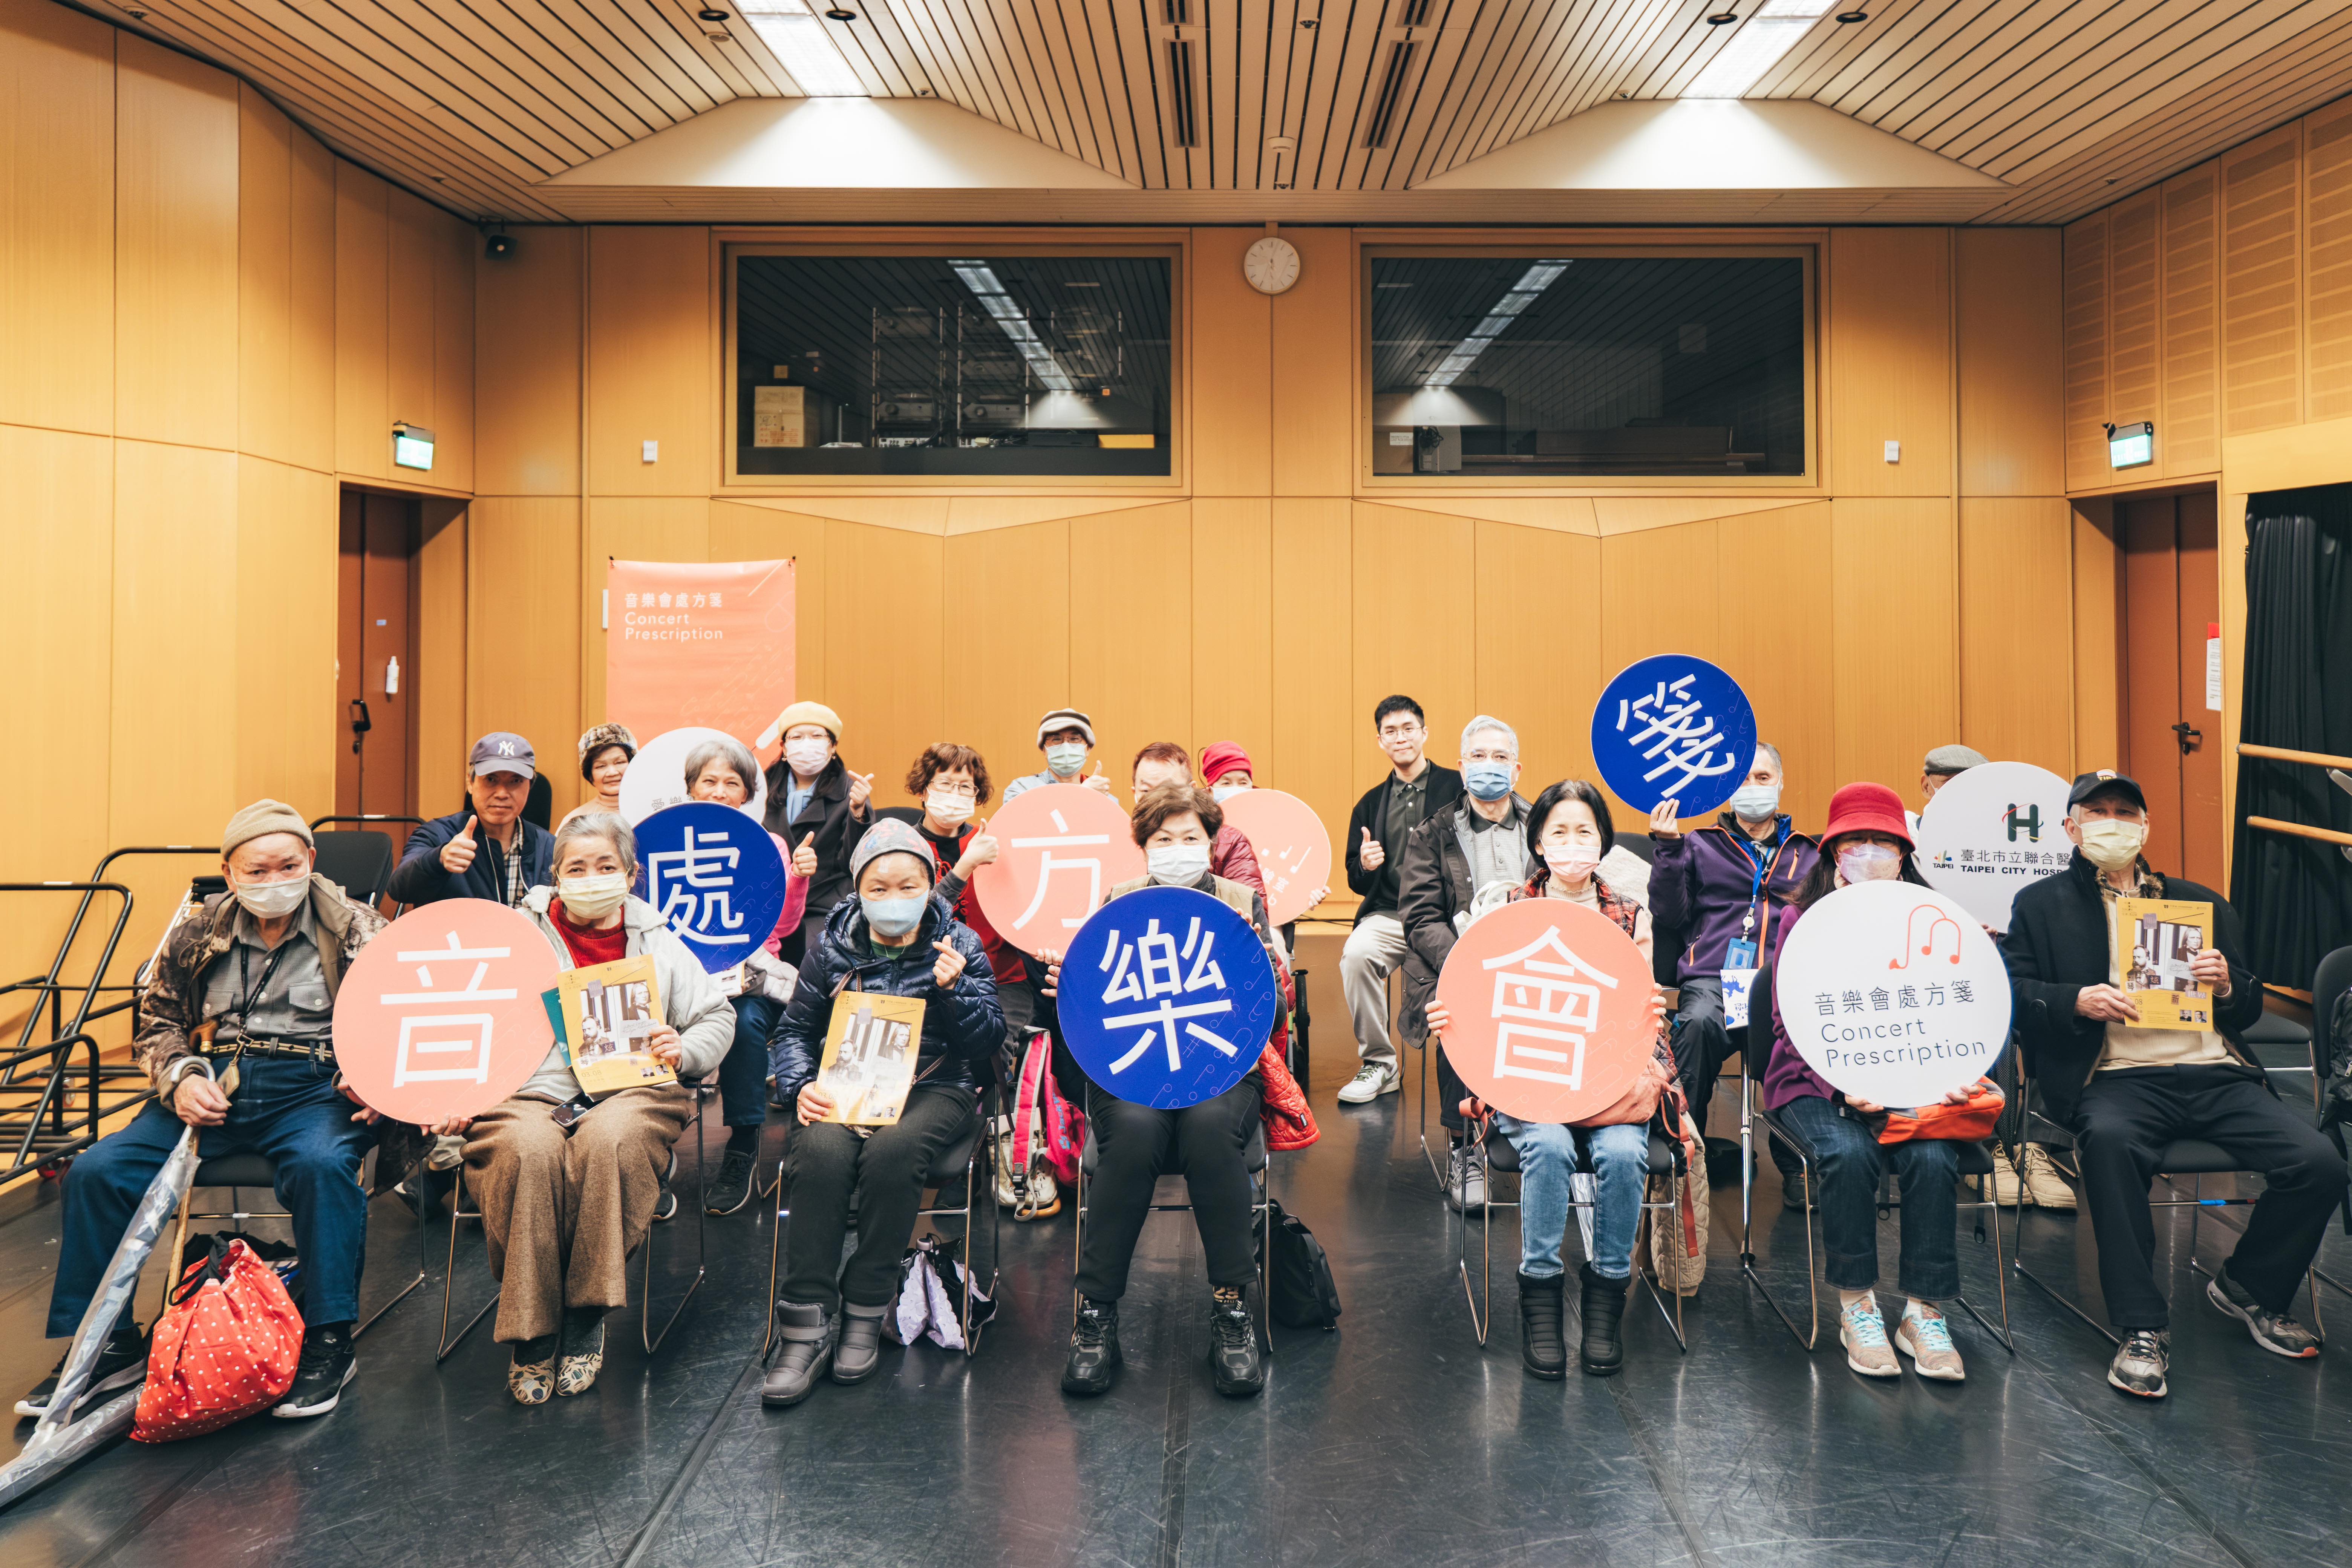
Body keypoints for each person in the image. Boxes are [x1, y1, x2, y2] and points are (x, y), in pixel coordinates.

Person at [18, 803, 389, 1423]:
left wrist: (375, 1073)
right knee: (98, 1172)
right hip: (213, 1077)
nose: (275, 881)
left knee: (323, 1166)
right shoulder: (200, 930)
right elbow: (157, 1020)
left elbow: (402, 1018)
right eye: (258, 870)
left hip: (315, 1082)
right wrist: (179, 1074)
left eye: (289, 866)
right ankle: (106, 1342)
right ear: (229, 870)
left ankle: (330, 1340)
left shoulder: (360, 927)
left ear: (311, 862)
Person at [2004, 769, 2346, 1399]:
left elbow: (2244, 1006)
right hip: (2115, 1078)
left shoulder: (2200, 902)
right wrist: (2076, 1000)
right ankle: (2141, 1326)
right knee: (2109, 1146)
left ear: (2145, 825)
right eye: (2097, 811)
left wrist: (2227, 985)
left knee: (2320, 1161)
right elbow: (2015, 997)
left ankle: (2250, 1286)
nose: (2112, 823)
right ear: (2071, 828)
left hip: (2215, 1074)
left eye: (2125, 812)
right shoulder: (2041, 904)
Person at [450, 813, 733, 1406]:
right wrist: (455, 1089)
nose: (592, 878)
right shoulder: (515, 937)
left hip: (634, 1090)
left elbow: (717, 1016)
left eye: (607, 867)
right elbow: (465, 1016)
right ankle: (532, 1328)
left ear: (631, 875)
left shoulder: (657, 939)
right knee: (526, 1151)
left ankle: (586, 1313)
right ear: (554, 876)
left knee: (609, 1142)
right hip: (531, 1090)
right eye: (576, 868)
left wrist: (686, 1049)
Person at [1041, 783, 1289, 1401]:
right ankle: (1096, 1315)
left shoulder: (1241, 902)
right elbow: (1096, 1018)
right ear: (1144, 848)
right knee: (1133, 1130)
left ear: (1212, 844)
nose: (1177, 850)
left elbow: (1275, 1012)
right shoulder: (1118, 905)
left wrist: (1263, 968)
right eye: (1163, 840)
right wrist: (1064, 990)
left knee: (1208, 1129)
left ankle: (1232, 1308)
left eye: (1190, 839)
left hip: (1221, 1070)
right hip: (1134, 1072)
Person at [1426, 779, 1677, 1378]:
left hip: (1611, 1086)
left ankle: (1606, 1296)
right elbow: (1479, 1000)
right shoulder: (1507, 911)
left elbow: (1640, 1015)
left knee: (1621, 1152)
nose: (1571, 843)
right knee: (1547, 1144)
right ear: (1538, 841)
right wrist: (1451, 1015)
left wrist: (1652, 1016)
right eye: (1558, 831)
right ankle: (1539, 1291)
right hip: (1532, 1080)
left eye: (1584, 831)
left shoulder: (1628, 915)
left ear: (1604, 841)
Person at [761, 819, 1004, 1408]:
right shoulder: (831, 947)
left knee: (895, 1152)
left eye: (908, 886)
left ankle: (867, 1304)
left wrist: (957, 992)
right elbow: (793, 1032)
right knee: (818, 1152)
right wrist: (799, 1086)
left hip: (936, 1085)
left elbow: (991, 1043)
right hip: (848, 1082)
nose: (894, 900)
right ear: (858, 890)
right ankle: (806, 1321)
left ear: (931, 884)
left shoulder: (961, 944)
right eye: (879, 888)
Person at [1758, 783, 1974, 1382]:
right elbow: (1786, 1020)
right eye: (1856, 841)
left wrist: (1948, 1070)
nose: (1871, 851)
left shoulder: (1931, 919)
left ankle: (1923, 1312)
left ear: (1904, 853)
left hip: (1911, 1080)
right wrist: (1842, 1086)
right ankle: (1857, 1304)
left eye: (1884, 841)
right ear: (1833, 853)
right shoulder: (1803, 918)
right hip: (1813, 1082)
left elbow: (1958, 1012)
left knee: (1932, 1155)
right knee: (1848, 1152)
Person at [1648, 741, 1818, 1159]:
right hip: (1713, 982)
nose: (1754, 787)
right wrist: (1668, 848)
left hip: (1786, 980)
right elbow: (1669, 914)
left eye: (1763, 778)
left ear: (1781, 783)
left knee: (1810, 1031)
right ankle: (1685, 1150)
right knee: (1697, 1024)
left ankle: (1798, 1164)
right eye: (1743, 779)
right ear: (1725, 786)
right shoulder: (1699, 844)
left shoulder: (1810, 852)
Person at [1398, 716, 1534, 1211]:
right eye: (1478, 757)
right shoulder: (1432, 833)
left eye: (1500, 758)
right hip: (1457, 961)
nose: (1489, 767)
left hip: (1533, 961)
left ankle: (1545, 1133)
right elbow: (1419, 917)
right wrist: (1471, 960)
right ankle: (1465, 1148)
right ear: (1461, 767)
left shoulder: (1544, 825)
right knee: (1459, 1010)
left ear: (1516, 770)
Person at [681, 735, 809, 1217]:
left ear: (747, 793)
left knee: (744, 1022)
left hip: (747, 974)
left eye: (730, 782)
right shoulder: (664, 838)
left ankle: (744, 1143)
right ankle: (646, 1155)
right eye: (708, 781)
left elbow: (785, 926)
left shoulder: (768, 843)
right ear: (691, 789)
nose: (718, 790)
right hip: (679, 974)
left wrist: (796, 878)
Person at [1340, 695, 1464, 1104]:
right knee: (1356, 955)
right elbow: (1355, 879)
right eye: (1390, 731)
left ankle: (1473, 1063)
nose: (1400, 737)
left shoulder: (1457, 788)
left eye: (1408, 728)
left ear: (1424, 733)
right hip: (1390, 915)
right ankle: (1380, 1062)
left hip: (1445, 918)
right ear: (1380, 740)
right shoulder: (1370, 802)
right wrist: (1366, 864)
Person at [875, 743, 1033, 1047]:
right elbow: (911, 917)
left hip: (1001, 980)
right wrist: (966, 866)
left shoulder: (993, 843)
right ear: (923, 790)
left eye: (965, 787)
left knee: (994, 1049)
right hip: (919, 979)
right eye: (945, 784)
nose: (955, 793)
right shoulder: (900, 845)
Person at [387, 732, 556, 907]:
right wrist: (438, 860)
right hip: (455, 935)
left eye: (515, 781)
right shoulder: (437, 834)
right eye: (491, 779)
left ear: (530, 787)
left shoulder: (549, 847)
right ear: (470, 783)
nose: (502, 794)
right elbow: (399, 889)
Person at [760, 701, 872, 964]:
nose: (806, 744)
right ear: (785, 748)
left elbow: (854, 864)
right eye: (797, 737)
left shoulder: (852, 795)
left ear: (832, 746)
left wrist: (858, 813)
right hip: (767, 905)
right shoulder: (759, 789)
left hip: (823, 906)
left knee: (817, 961)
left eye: (817, 736)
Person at [1131, 742, 1265, 897]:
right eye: (1147, 791)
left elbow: (1246, 902)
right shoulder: (1115, 840)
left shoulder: (1231, 842)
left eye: (1169, 788)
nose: (1158, 799)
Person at [1001, 707, 1118, 802]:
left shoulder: (1105, 799)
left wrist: (1094, 797)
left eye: (1075, 739)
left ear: (1088, 749)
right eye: (1056, 739)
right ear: (1044, 749)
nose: (1066, 746)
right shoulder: (1022, 789)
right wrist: (1083, 795)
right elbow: (1021, 826)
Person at [560, 723, 637, 829]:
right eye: (601, 766)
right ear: (590, 775)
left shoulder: (652, 808)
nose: (612, 773)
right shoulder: (576, 821)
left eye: (619, 762)